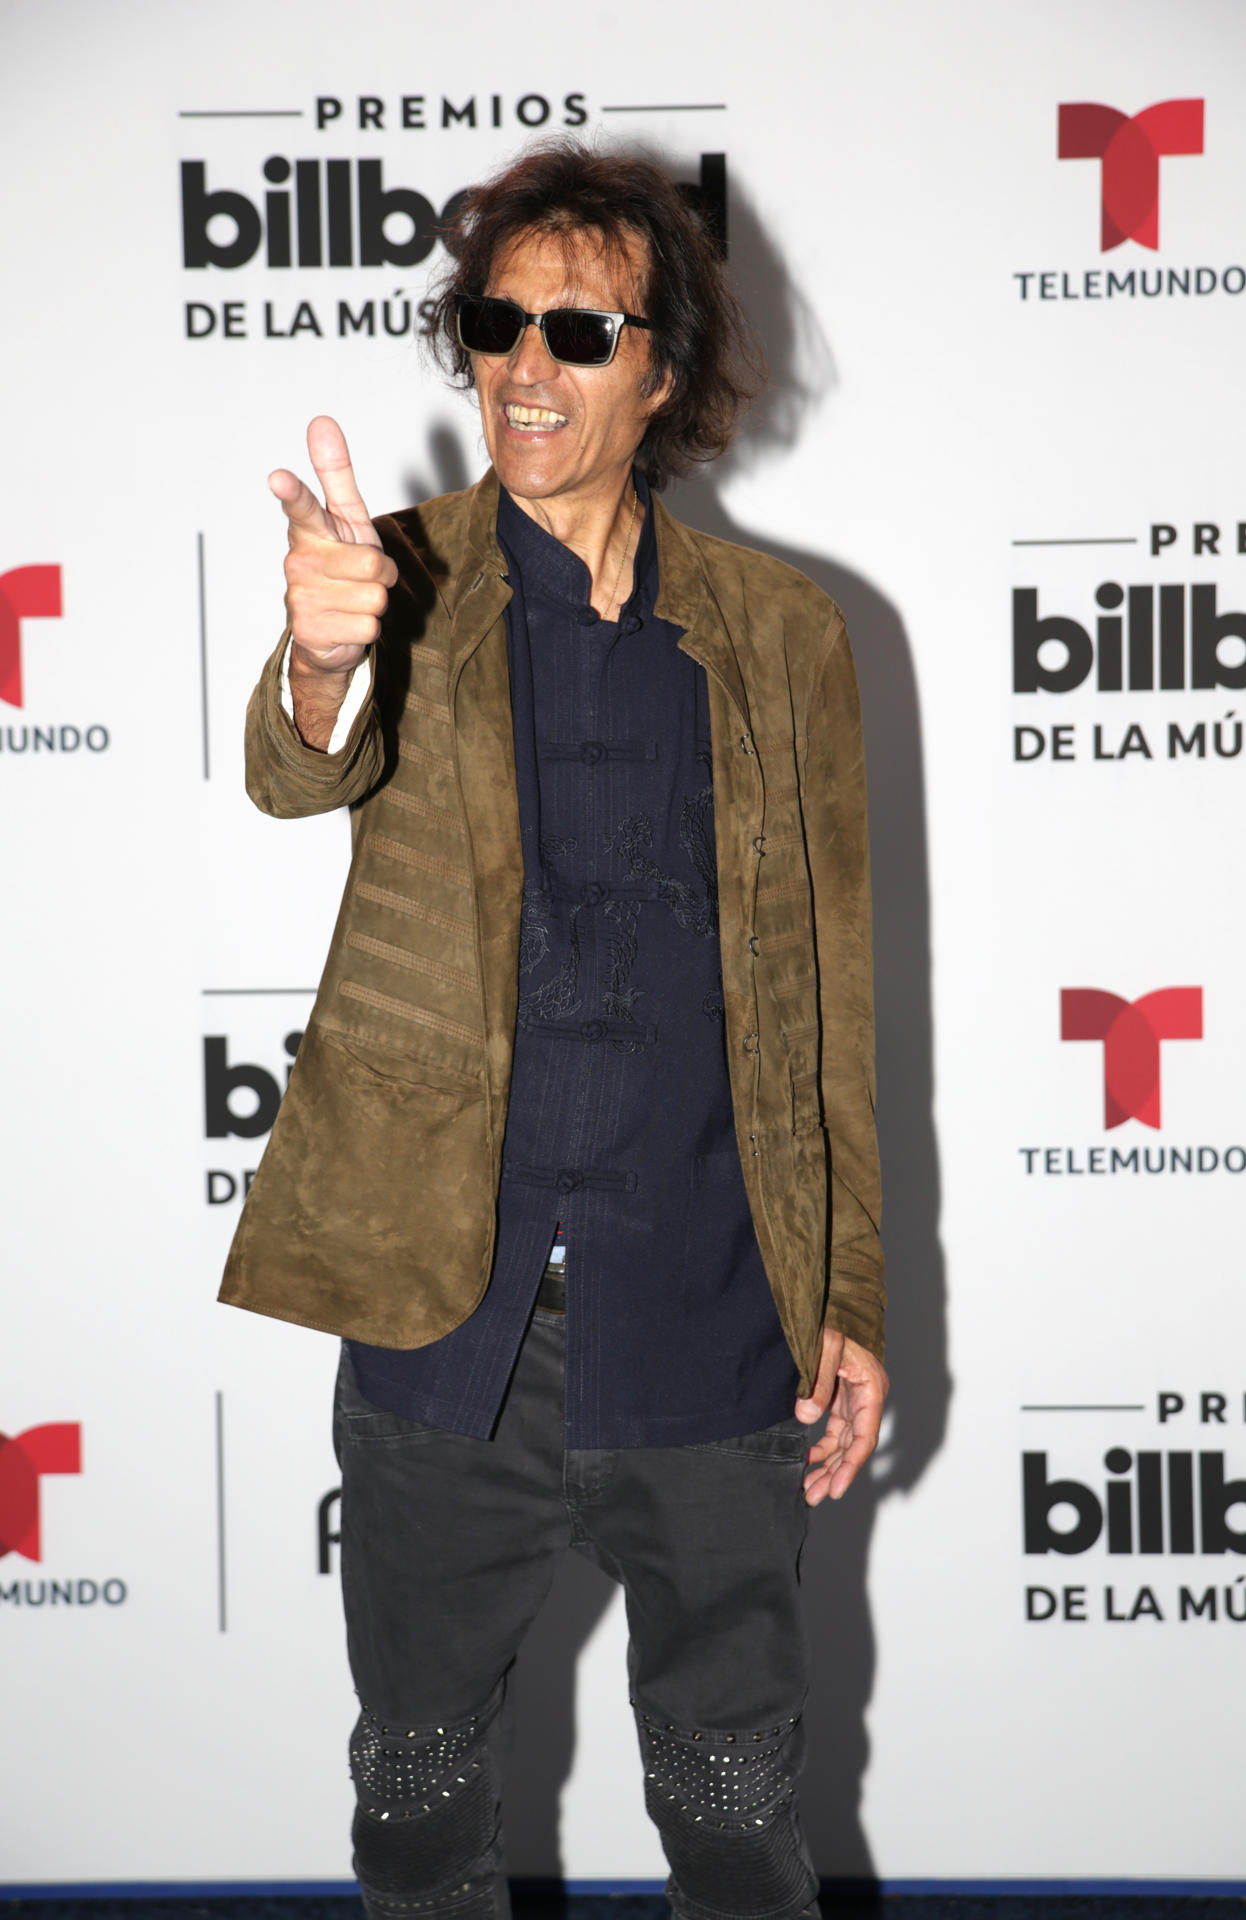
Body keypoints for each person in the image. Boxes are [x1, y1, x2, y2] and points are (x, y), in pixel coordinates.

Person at [219, 140, 887, 1920]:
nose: (528, 364)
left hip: (719, 1321)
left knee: (742, 1833)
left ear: (662, 371)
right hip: (454, 1328)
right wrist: (319, 653)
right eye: (498, 322)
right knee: (421, 1814)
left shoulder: (785, 634)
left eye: (581, 329)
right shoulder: (401, 579)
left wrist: (853, 1297)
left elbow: (830, 993)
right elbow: (304, 766)